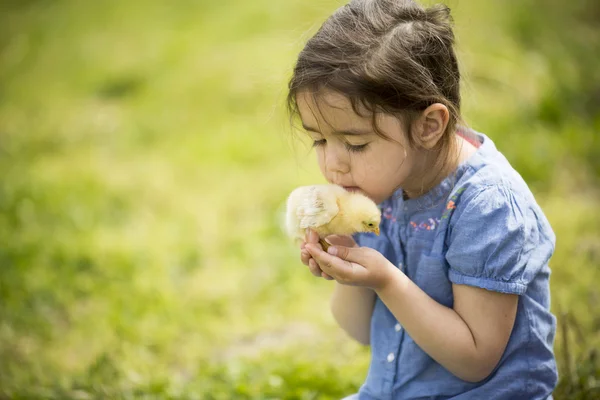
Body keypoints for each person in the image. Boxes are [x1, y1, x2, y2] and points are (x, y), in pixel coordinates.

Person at [287, 0, 558, 399]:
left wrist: (385, 279)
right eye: (319, 140)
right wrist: (347, 264)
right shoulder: (376, 190)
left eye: (356, 144)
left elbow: (475, 360)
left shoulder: (488, 205)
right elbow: (358, 331)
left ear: (429, 126)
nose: (331, 165)